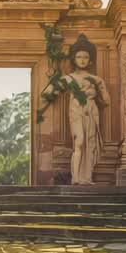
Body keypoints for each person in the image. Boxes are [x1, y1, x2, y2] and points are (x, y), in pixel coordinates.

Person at [44, 35, 109, 185]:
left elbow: (106, 102)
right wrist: (53, 79)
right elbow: (48, 94)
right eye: (79, 56)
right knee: (79, 141)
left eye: (85, 57)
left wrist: (97, 92)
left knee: (90, 143)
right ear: (74, 59)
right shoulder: (68, 78)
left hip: (91, 110)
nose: (82, 60)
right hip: (76, 110)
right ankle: (76, 178)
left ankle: (87, 177)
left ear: (90, 60)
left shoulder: (97, 79)